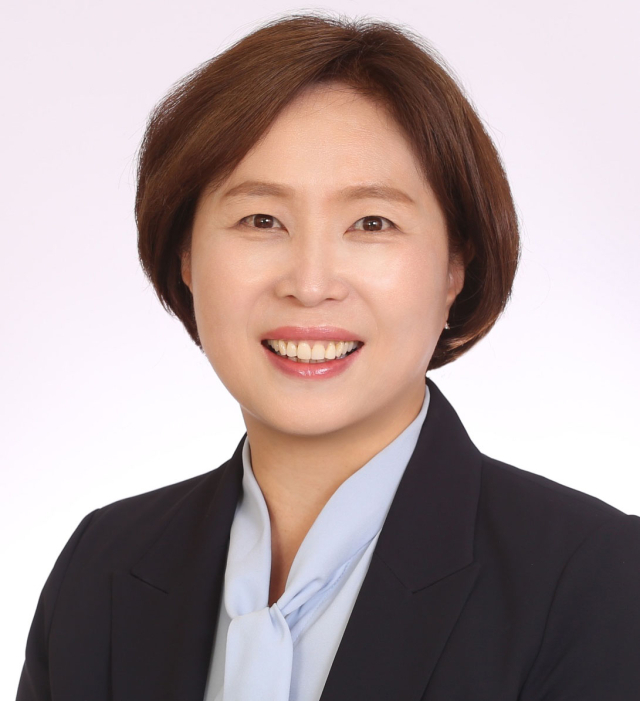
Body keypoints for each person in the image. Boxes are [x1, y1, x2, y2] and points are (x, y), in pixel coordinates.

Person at [16, 11, 640, 701]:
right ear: (186, 257)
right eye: (261, 220)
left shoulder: (601, 580)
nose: (310, 284)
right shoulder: (101, 568)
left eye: (372, 223)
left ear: (454, 268)